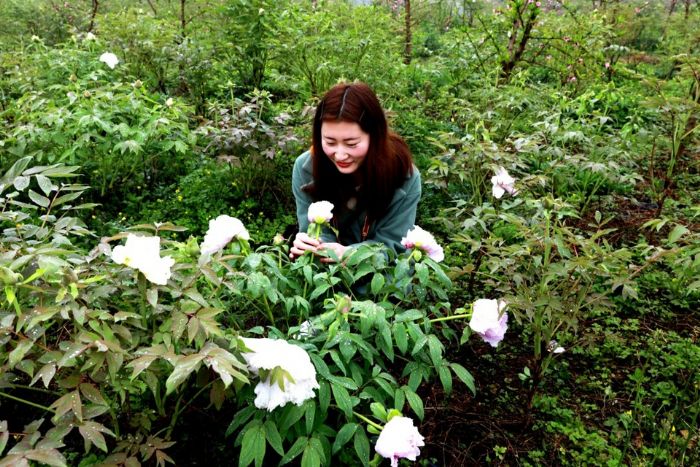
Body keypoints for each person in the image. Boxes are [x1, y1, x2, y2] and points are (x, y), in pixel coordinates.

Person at [290, 82, 421, 262]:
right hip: (325, 277)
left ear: (374, 136)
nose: (340, 155)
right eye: (330, 142)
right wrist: (315, 246)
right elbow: (314, 231)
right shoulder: (306, 168)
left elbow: (394, 245)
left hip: (382, 280)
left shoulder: (404, 176)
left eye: (352, 144)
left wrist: (350, 254)